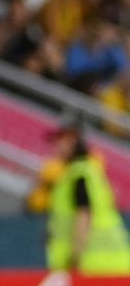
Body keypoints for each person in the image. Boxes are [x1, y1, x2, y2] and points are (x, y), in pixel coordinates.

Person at [43, 118, 130, 275]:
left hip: (95, 267)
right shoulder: (89, 171)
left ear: (72, 141)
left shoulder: (79, 174)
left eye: (59, 141)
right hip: (113, 264)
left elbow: (84, 215)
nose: (55, 147)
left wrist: (75, 258)